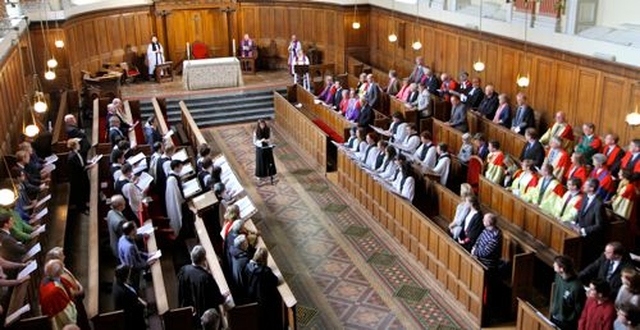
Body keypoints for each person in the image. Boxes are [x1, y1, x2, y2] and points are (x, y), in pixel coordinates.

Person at [178, 245, 226, 326]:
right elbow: (217, 298)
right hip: (203, 311)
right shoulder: (205, 277)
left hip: (190, 308)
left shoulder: (184, 269)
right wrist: (223, 297)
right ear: (204, 259)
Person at [45, 247, 90, 330]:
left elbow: (73, 280)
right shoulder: (57, 284)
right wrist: (80, 290)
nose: (64, 256)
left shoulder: (60, 268)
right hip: (74, 306)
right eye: (62, 255)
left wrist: (78, 286)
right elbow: (71, 293)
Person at [244, 247, 281, 330]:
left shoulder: (248, 266)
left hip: (252, 295)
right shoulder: (265, 271)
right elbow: (275, 280)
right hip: (264, 298)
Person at [39, 260, 78, 330]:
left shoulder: (45, 280)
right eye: (62, 268)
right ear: (58, 273)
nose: (64, 269)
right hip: (57, 320)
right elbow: (67, 316)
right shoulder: (55, 291)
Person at [550, 255, 585, 330]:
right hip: (555, 315)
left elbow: (579, 309)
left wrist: (568, 318)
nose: (553, 265)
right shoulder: (558, 276)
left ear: (562, 269)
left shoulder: (577, 287)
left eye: (555, 264)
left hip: (566, 323)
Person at [118, 221, 155, 290]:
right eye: (135, 228)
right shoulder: (129, 247)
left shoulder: (123, 237)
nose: (137, 229)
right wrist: (147, 264)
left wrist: (148, 255)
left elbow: (136, 252)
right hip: (132, 274)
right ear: (132, 232)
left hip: (132, 263)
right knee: (136, 287)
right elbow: (133, 266)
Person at [112, 265, 147, 330]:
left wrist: (139, 299)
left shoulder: (118, 282)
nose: (129, 275)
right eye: (128, 273)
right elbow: (133, 307)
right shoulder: (124, 292)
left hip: (131, 304)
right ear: (125, 276)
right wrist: (143, 305)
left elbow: (132, 294)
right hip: (131, 318)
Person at [166, 159, 186, 237]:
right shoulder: (172, 179)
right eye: (180, 167)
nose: (181, 169)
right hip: (178, 203)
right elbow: (176, 194)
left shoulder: (174, 176)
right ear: (176, 167)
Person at [229, 235, 252, 301]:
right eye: (246, 242)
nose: (247, 243)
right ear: (242, 246)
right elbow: (250, 275)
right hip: (244, 287)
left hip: (238, 282)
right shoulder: (244, 259)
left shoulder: (235, 253)